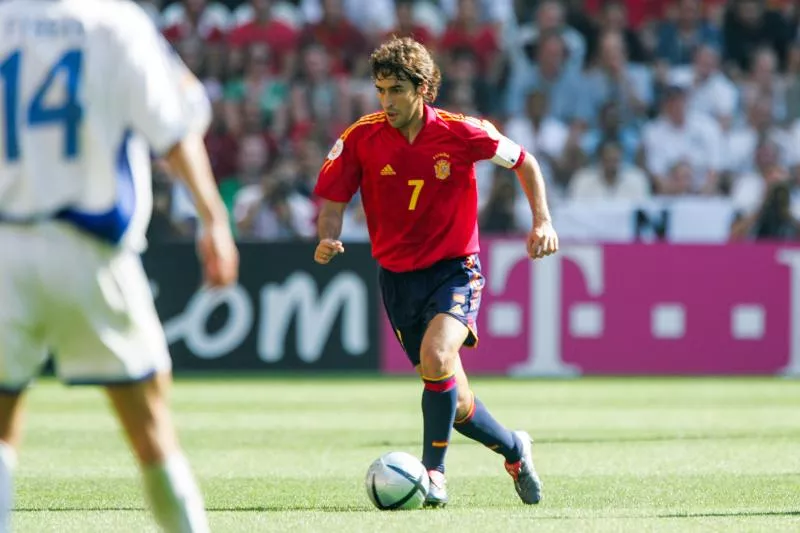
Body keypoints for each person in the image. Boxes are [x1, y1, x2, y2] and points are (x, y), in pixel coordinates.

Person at [0, 1, 239, 532]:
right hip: (90, 250)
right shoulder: (115, 22)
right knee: (152, 428)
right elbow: (175, 130)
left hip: (5, 251)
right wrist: (213, 220)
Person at [313, 37, 558, 507]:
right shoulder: (361, 136)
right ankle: (514, 448)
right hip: (398, 278)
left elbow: (524, 162)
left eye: (396, 90)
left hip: (455, 269)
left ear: (422, 88)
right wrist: (329, 235)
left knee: (438, 355)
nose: (386, 101)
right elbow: (334, 199)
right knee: (457, 401)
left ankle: (434, 474)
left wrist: (542, 221)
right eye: (380, 90)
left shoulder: (462, 131)